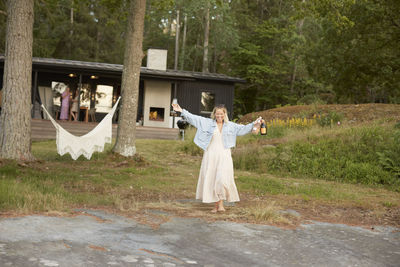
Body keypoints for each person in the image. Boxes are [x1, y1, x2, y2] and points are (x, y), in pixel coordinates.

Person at [172, 103, 261, 213]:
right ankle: (216, 206)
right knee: (213, 179)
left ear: (225, 114)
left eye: (221, 114)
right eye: (217, 113)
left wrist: (255, 123)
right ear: (214, 114)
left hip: (225, 155)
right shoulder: (207, 123)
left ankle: (221, 204)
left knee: (222, 179)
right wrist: (181, 110)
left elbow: (243, 129)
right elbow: (194, 118)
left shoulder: (231, 126)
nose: (219, 116)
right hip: (211, 154)